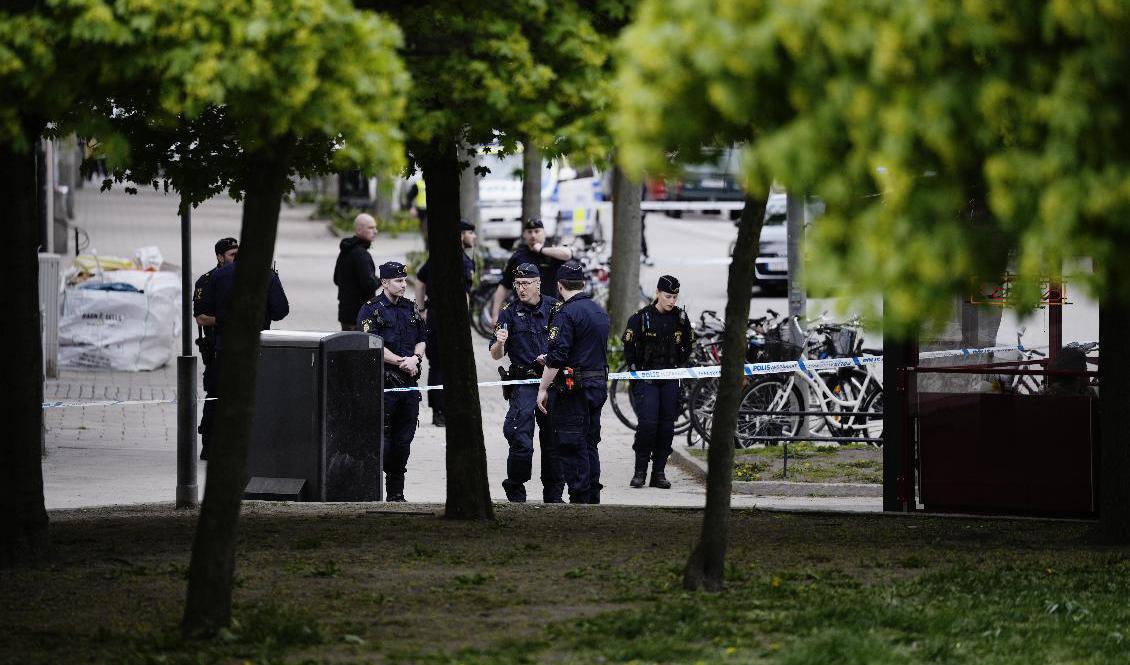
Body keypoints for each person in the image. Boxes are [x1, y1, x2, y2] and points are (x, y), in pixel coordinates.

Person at [196, 250, 290, 461]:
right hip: (255, 344)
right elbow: (281, 311)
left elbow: (206, 311)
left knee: (219, 394)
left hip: (224, 344)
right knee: (253, 395)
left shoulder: (218, 276)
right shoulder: (267, 275)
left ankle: (212, 446)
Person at [536, 261, 610, 504]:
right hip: (598, 385)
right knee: (590, 443)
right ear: (583, 284)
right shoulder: (599, 311)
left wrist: (543, 388)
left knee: (571, 443)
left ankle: (579, 499)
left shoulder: (566, 313)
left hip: (574, 391)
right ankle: (592, 496)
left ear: (559, 286)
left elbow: (557, 357)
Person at [490, 263, 562, 503]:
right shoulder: (509, 312)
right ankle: (516, 489)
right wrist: (500, 342)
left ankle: (553, 494)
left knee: (553, 439)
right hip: (523, 382)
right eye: (518, 284)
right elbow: (495, 354)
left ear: (538, 283)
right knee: (521, 438)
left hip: (551, 381)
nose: (521, 289)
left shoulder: (555, 308)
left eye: (526, 284)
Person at [358, 261, 426, 502]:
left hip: (408, 383)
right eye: (398, 281)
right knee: (382, 441)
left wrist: (416, 359)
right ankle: (371, 490)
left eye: (405, 280)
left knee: (403, 440)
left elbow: (421, 337)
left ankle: (396, 494)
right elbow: (373, 344)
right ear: (384, 283)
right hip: (384, 384)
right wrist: (401, 362)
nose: (403, 285)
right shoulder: (371, 309)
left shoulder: (410, 308)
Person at [622, 275, 695, 489]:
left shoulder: (680, 318)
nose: (672, 301)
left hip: (670, 379)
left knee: (666, 428)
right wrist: (635, 372)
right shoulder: (641, 317)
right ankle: (640, 472)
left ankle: (659, 473)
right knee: (647, 426)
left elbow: (689, 344)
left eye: (675, 296)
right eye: (668, 296)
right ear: (657, 293)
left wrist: (679, 364)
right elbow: (629, 347)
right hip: (648, 380)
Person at [415, 220, 476, 426]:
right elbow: (464, 296)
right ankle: (447, 411)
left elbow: (420, 280)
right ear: (460, 236)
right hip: (450, 318)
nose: (473, 237)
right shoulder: (463, 261)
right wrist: (463, 324)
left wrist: (422, 308)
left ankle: (438, 412)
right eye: (470, 233)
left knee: (437, 366)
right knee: (449, 366)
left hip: (433, 315)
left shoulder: (438, 256)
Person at [192, 237, 239, 461]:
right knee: (216, 395)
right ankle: (208, 444)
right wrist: (228, 320)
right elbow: (201, 318)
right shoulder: (207, 281)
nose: (236, 258)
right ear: (220, 257)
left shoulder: (243, 278)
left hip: (240, 346)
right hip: (216, 347)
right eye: (231, 255)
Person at [491, 218, 574, 325]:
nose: (533, 235)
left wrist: (541, 250)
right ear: (524, 234)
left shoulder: (552, 252)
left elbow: (567, 254)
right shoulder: (518, 256)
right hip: (524, 315)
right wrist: (495, 314)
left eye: (537, 231)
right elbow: (504, 286)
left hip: (550, 313)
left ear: (544, 233)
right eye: (529, 232)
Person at [333, 213, 379, 331]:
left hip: (345, 314)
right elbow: (369, 284)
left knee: (346, 347)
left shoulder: (345, 251)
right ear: (358, 230)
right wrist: (381, 280)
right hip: (360, 315)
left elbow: (336, 279)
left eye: (375, 227)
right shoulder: (362, 254)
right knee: (361, 348)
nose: (375, 231)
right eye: (371, 228)